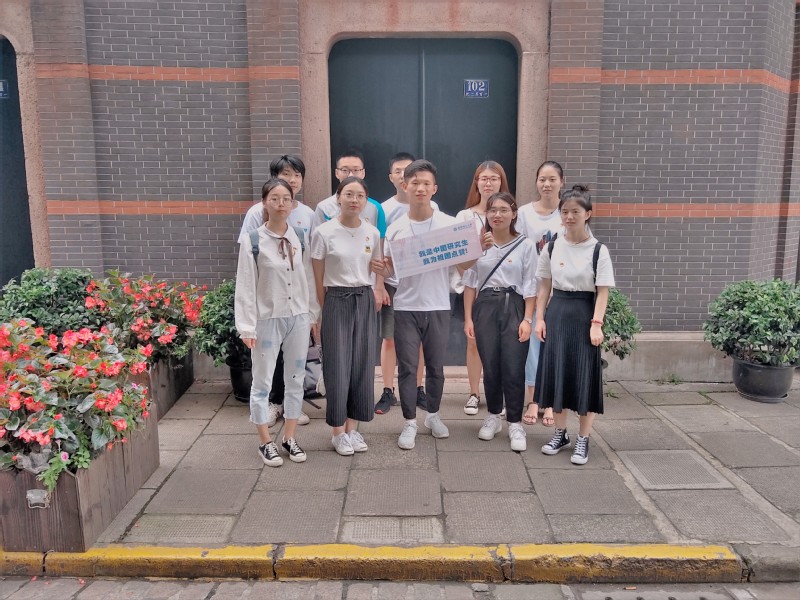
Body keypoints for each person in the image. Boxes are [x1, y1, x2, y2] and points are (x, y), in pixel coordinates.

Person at [376, 159, 489, 450]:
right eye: (415, 183)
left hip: (438, 304)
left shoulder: (449, 225)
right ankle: (409, 422)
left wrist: (478, 249)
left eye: (426, 183)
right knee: (408, 367)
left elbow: (463, 266)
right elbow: (390, 270)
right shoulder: (396, 229)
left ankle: (434, 415)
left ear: (434, 188)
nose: (420, 188)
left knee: (436, 367)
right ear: (405, 185)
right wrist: (379, 270)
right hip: (405, 307)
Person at [235, 178, 320, 467]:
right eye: (274, 198)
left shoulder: (299, 236)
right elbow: (245, 285)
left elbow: (307, 277)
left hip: (298, 317)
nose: (281, 204)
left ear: (292, 203)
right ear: (264, 203)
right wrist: (246, 326)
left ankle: (289, 437)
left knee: (295, 379)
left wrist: (312, 314)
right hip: (267, 319)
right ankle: (264, 441)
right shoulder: (254, 240)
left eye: (286, 198)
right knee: (262, 381)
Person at [534, 185, 615, 465]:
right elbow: (544, 287)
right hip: (557, 313)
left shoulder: (599, 251)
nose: (569, 217)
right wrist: (539, 319)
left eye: (575, 212)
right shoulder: (552, 246)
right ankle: (560, 434)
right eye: (565, 212)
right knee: (557, 374)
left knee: (584, 377)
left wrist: (596, 323)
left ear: (588, 214)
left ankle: (583, 438)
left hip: (584, 315)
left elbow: (602, 292)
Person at [311, 176, 381, 456]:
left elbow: (378, 269)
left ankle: (353, 428)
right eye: (349, 194)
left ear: (366, 201)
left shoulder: (372, 232)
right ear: (338, 198)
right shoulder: (324, 232)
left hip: (364, 298)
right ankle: (338, 432)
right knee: (338, 366)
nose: (354, 200)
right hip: (335, 299)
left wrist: (382, 279)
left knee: (362, 364)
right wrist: (321, 312)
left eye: (360, 195)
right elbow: (317, 278)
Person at [463, 192, 537, 451]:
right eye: (493, 210)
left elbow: (531, 284)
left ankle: (515, 422)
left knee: (514, 365)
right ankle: (493, 415)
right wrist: (468, 318)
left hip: (514, 305)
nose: (497, 215)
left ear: (514, 214)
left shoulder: (526, 245)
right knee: (491, 364)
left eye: (504, 210)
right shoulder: (479, 244)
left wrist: (528, 319)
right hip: (485, 306)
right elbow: (469, 281)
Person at [374, 152, 437, 415]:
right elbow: (379, 249)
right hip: (392, 283)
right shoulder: (383, 209)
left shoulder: (433, 208)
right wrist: (379, 285)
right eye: (399, 171)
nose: (404, 175)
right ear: (394, 178)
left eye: (408, 170)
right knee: (389, 339)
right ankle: (388, 390)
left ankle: (418, 388)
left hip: (419, 285)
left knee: (419, 341)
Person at [455, 161, 511, 416]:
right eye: (484, 178)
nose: (488, 183)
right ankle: (474, 393)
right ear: (476, 183)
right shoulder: (465, 217)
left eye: (494, 178)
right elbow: (460, 260)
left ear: (501, 182)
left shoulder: (509, 212)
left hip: (503, 290)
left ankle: (497, 393)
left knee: (501, 345)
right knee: (474, 342)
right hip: (473, 288)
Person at [517, 161, 564, 428]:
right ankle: (534, 399)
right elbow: (518, 250)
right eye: (542, 179)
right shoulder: (524, 213)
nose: (546, 184)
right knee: (533, 346)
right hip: (533, 289)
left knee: (554, 346)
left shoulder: (568, 211)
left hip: (562, 292)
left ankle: (551, 401)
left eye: (552, 179)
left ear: (561, 182)